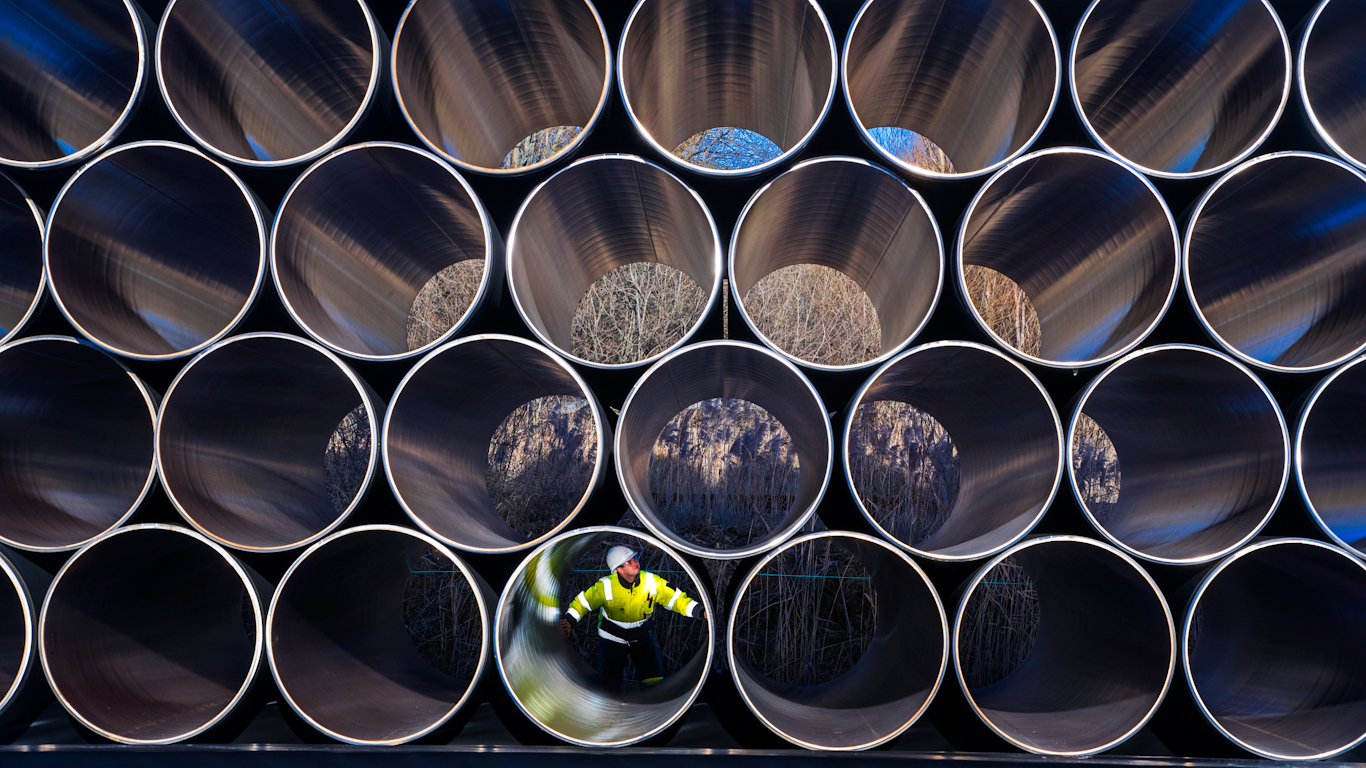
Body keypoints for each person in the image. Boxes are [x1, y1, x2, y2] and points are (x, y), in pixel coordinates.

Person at [559, 544, 707, 684]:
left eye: (634, 559)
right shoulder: (606, 586)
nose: (635, 563)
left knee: (654, 679)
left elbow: (675, 599)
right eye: (628, 562)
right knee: (610, 682)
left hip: (641, 637)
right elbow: (583, 602)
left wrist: (701, 611)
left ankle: (652, 705)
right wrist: (569, 621)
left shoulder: (650, 581)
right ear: (619, 570)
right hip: (612, 639)